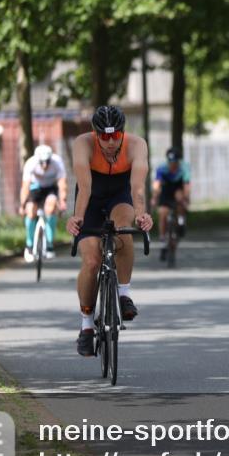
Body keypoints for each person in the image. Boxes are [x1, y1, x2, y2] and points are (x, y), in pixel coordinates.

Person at [66, 105, 153, 357]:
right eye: (104, 136)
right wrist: (78, 218)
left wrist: (141, 214)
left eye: (116, 135)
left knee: (123, 231)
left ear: (123, 133)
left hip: (120, 194)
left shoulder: (137, 145)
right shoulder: (83, 144)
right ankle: (86, 325)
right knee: (92, 260)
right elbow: (84, 187)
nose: (111, 141)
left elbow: (137, 188)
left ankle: (124, 295)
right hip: (91, 197)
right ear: (96, 134)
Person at [19, 144, 68, 261]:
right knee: (30, 210)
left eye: (47, 162)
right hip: (35, 187)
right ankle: (29, 245)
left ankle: (50, 244)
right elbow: (25, 187)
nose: (45, 165)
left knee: (51, 207)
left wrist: (62, 201)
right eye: (42, 162)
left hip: (50, 188)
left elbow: (62, 184)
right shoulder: (30, 163)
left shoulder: (57, 162)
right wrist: (22, 205)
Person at [152, 147, 192, 260]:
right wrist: (154, 197)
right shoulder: (162, 168)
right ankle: (163, 240)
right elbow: (157, 185)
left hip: (178, 188)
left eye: (174, 162)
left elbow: (186, 186)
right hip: (166, 190)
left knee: (180, 198)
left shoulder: (184, 168)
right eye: (170, 162)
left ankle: (181, 221)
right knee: (162, 213)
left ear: (179, 161)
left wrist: (186, 198)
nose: (172, 165)